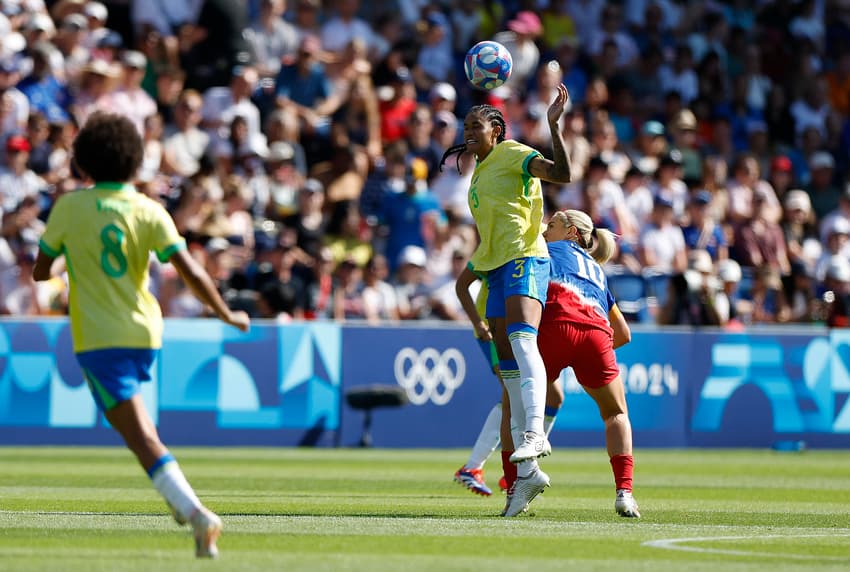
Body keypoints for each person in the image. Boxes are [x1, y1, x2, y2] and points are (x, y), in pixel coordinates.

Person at [33, 112, 251, 559]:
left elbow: (40, 272)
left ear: (84, 162)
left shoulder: (70, 207)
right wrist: (225, 313)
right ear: (134, 162)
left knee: (140, 440)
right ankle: (178, 501)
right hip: (146, 332)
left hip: (99, 338)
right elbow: (188, 269)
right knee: (136, 427)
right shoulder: (150, 209)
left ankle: (195, 513)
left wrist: (64, 259)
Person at [439, 84, 573, 514]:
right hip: (496, 267)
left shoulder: (513, 153)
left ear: (496, 130)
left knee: (521, 341)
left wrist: (554, 126)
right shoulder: (478, 172)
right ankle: (526, 474)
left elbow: (561, 174)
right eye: (466, 127)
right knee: (509, 368)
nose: (469, 133)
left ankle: (534, 433)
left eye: (476, 126)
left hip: (525, 258)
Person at [531, 210, 639, 518]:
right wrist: (583, 355)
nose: (544, 230)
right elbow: (623, 334)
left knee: (515, 399)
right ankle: (625, 493)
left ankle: (515, 483)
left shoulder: (543, 249)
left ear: (571, 233)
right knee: (616, 413)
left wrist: (562, 351)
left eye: (550, 225)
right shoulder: (596, 269)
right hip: (595, 334)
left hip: (555, 325)